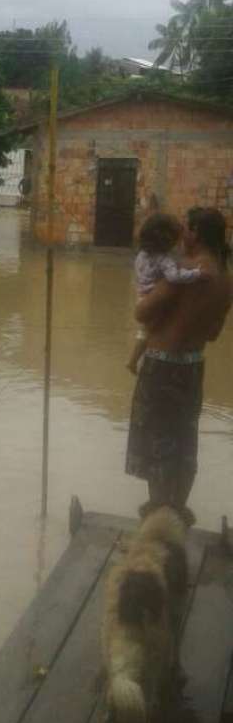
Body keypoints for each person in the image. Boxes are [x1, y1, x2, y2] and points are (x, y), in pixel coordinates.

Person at [125, 207, 232, 524]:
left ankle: (158, 514)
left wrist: (157, 311)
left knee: (158, 441)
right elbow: (212, 334)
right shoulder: (226, 278)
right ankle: (176, 510)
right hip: (193, 366)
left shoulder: (184, 270)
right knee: (184, 440)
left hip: (161, 367)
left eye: (186, 228)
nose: (181, 235)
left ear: (195, 233)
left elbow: (142, 313)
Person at [127, 212, 207, 375]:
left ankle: (135, 361)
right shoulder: (164, 260)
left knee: (146, 331)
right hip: (153, 299)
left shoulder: (142, 255)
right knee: (150, 332)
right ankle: (133, 361)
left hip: (142, 296)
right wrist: (197, 273)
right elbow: (174, 277)